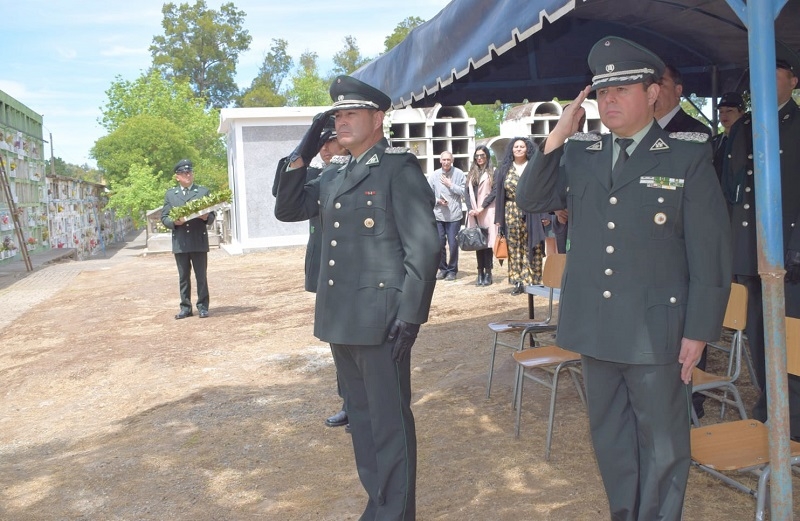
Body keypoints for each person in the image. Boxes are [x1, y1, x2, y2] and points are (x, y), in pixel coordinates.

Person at [516, 36, 731, 520]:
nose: (608, 100)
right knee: (611, 441)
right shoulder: (582, 152)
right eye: (601, 92)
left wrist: (698, 331)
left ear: (653, 94)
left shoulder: (685, 156)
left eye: (623, 89)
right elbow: (531, 200)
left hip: (657, 331)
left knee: (661, 446)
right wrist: (557, 135)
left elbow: (709, 253)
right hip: (596, 325)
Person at [274, 75, 439, 520]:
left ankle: (396, 513)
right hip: (341, 319)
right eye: (335, 116)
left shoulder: (397, 169)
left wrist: (412, 315)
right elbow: (288, 208)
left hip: (382, 320)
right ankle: (379, 504)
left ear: (377, 117)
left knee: (388, 425)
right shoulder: (335, 172)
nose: (341, 121)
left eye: (350, 113)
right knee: (362, 425)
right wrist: (304, 148)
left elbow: (423, 247)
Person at [722, 49, 800, 440]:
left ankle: (795, 420)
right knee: (757, 333)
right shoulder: (743, 126)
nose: (763, 82)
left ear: (793, 81)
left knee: (790, 335)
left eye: (775, 73)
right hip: (750, 251)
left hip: (790, 254)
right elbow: (730, 189)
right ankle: (769, 406)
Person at [273, 117, 352, 430]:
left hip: (355, 270)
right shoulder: (318, 176)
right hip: (326, 269)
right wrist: (309, 138)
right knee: (337, 341)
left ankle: (361, 404)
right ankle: (349, 401)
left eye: (328, 141)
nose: (324, 149)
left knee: (357, 341)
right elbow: (282, 195)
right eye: (320, 145)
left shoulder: (353, 172)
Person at [161, 159, 217, 319]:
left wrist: (206, 217)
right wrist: (174, 222)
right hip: (181, 241)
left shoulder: (202, 192)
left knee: (201, 276)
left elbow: (213, 215)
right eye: (184, 173)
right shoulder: (171, 194)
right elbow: (164, 217)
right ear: (177, 176)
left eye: (190, 172)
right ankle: (185, 307)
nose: (188, 175)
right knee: (183, 277)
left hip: (198, 239)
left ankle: (203, 307)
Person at [493, 137, 549, 294]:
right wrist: (499, 219)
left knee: (534, 245)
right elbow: (500, 195)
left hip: (532, 211)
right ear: (511, 149)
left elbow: (542, 191)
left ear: (527, 149)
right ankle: (518, 281)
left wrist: (544, 213)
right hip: (511, 211)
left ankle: (535, 280)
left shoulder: (534, 167)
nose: (518, 149)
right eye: (516, 146)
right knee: (515, 247)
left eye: (522, 146)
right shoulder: (504, 169)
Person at [428, 151, 465, 281]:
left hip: (454, 216)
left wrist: (451, 185)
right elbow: (427, 193)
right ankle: (442, 269)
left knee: (453, 244)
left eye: (448, 160)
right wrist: (438, 201)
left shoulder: (459, 174)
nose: (446, 162)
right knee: (439, 244)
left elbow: (464, 192)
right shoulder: (434, 175)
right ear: (440, 160)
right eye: (444, 160)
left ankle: (452, 270)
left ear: (452, 160)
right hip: (438, 215)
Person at [465, 145, 497, 286]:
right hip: (474, 213)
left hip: (487, 211)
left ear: (487, 156)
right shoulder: (471, 173)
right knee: (478, 243)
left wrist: (482, 207)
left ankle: (488, 273)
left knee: (487, 243)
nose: (479, 158)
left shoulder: (493, 172)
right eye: (477, 156)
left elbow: (495, 192)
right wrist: (471, 208)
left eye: (482, 156)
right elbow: (466, 193)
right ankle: (480, 272)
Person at [654, 64, 712, 136]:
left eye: (659, 83)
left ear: (678, 91)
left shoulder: (696, 132)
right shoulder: (640, 129)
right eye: (648, 85)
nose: (652, 91)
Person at [711, 92, 745, 182]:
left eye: (729, 111)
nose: (724, 115)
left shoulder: (748, 140)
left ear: (741, 112)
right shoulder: (714, 142)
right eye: (721, 111)